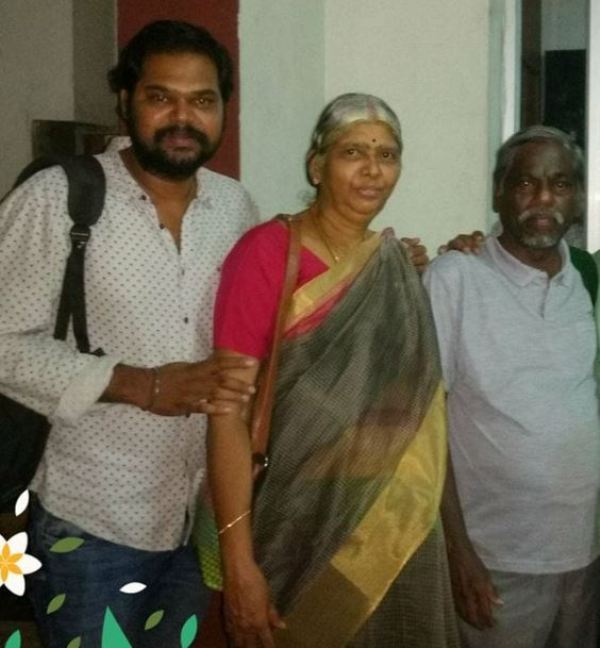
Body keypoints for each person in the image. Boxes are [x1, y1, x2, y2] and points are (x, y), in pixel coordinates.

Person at [0, 20, 260, 647]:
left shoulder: (236, 207)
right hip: (89, 526)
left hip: (194, 519)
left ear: (223, 108)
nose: (182, 117)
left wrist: (396, 262)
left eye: (202, 100)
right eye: (160, 96)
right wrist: (137, 384)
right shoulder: (61, 197)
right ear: (125, 101)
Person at [200, 93, 459, 648]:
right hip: (293, 520)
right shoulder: (267, 253)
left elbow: (412, 410)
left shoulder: (390, 264)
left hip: (390, 519)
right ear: (317, 166)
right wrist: (239, 563)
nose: (373, 170)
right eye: (353, 152)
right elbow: (227, 413)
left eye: (387, 155)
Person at [424, 125, 600, 648]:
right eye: (526, 184)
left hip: (585, 557)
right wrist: (458, 555)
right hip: (496, 562)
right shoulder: (455, 279)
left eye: (561, 184)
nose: (544, 199)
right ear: (499, 193)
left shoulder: (588, 279)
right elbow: (423, 426)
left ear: (579, 198)